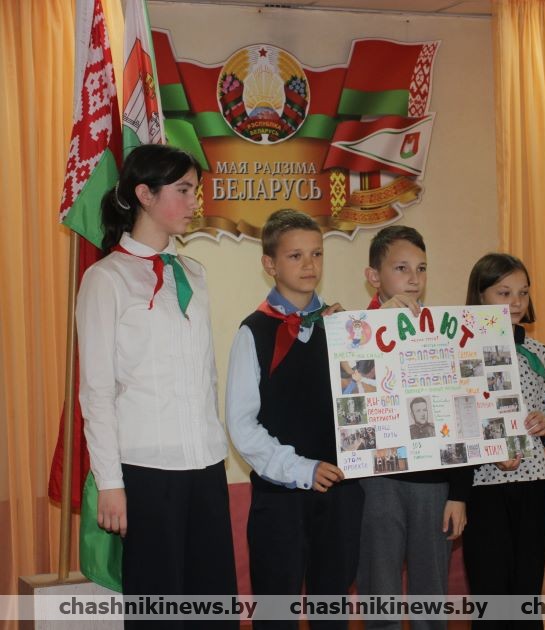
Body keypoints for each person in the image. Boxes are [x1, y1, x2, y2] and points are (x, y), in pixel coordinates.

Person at [76, 144, 237, 627]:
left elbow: (206, 374)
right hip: (147, 472)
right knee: (159, 609)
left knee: (213, 605)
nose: (194, 202)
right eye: (183, 190)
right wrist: (110, 483)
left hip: (205, 465)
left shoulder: (194, 273)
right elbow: (96, 393)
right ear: (145, 194)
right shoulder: (106, 279)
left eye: (195, 191)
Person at [225, 209, 363, 630]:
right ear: (269, 264)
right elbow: (242, 424)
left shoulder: (344, 327)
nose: (309, 265)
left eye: (317, 254)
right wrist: (301, 469)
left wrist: (364, 341)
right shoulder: (253, 332)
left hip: (340, 493)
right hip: (280, 497)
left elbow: (367, 403)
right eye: (295, 256)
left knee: (332, 607)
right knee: (276, 610)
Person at [358, 225, 472, 630]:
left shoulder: (444, 332)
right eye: (401, 268)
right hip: (377, 483)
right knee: (381, 594)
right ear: (374, 276)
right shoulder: (351, 332)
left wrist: (458, 493)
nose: (413, 278)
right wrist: (375, 329)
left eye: (421, 269)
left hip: (434, 484)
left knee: (430, 599)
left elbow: (463, 413)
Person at [463, 253, 545, 630]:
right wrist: (492, 450)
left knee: (526, 586)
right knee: (490, 587)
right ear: (480, 296)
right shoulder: (463, 350)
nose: (516, 302)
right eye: (504, 293)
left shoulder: (538, 351)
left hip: (533, 479)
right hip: (485, 482)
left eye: (523, 292)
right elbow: (461, 415)